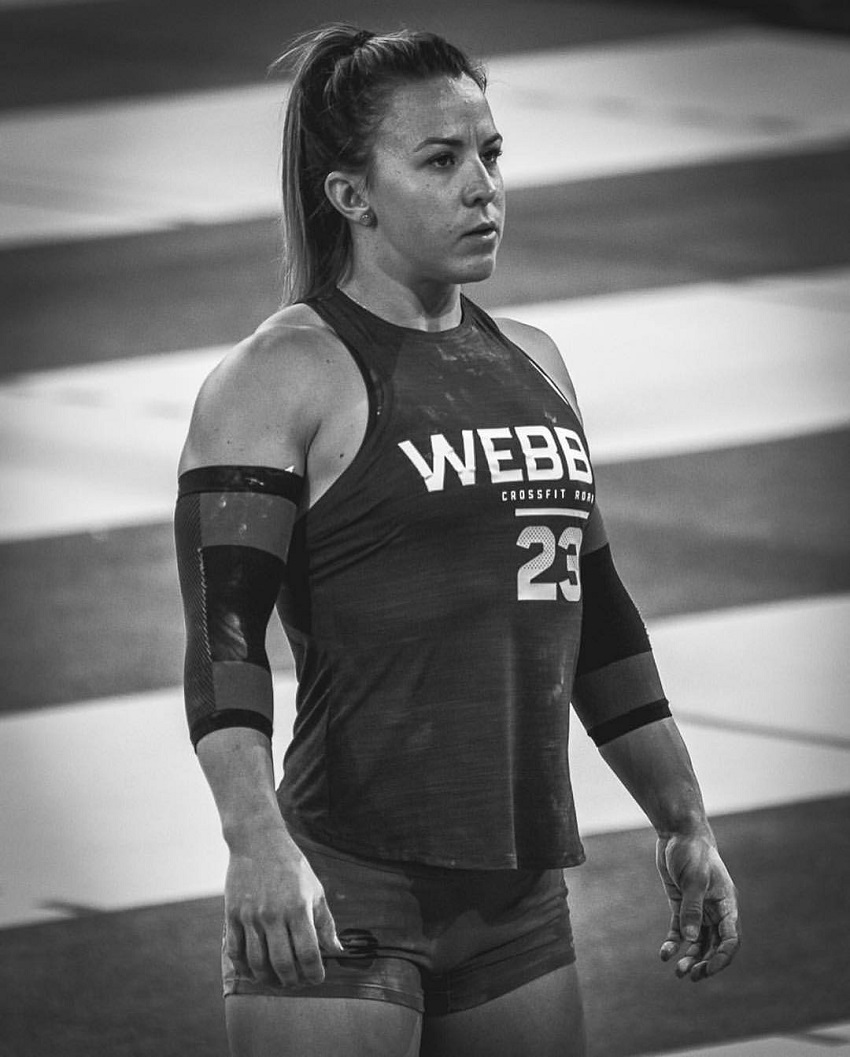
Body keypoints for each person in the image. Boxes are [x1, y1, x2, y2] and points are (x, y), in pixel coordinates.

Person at [174, 23, 740, 1057]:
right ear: (352, 195)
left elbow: (596, 614)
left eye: (490, 153)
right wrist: (254, 842)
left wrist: (682, 820)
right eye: (440, 160)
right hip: (345, 883)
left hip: (515, 895)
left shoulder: (535, 363)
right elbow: (223, 642)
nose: (483, 186)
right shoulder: (279, 374)